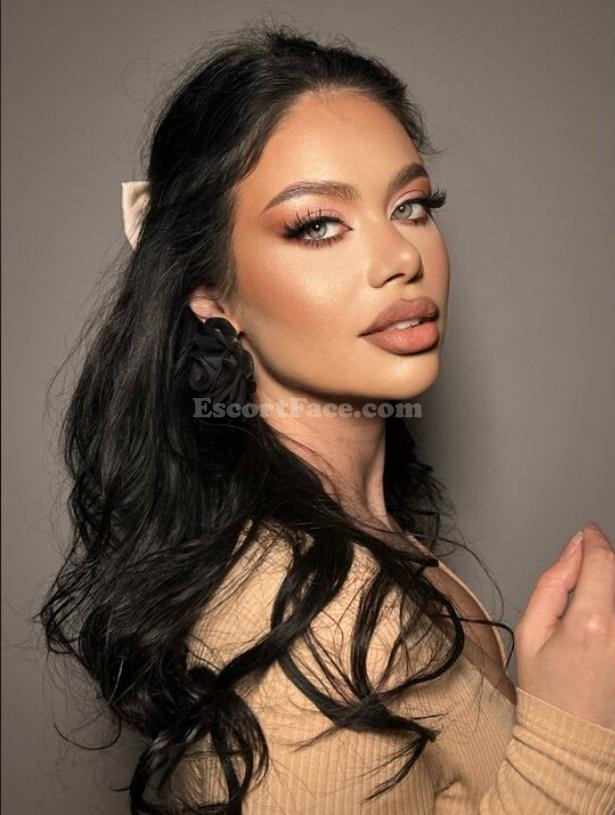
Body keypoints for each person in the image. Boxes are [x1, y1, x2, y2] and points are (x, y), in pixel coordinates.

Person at [37, 22, 615, 814]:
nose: (401, 257)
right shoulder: (299, 645)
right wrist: (572, 740)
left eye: (411, 205)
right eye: (317, 224)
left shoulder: (351, 536)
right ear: (210, 294)